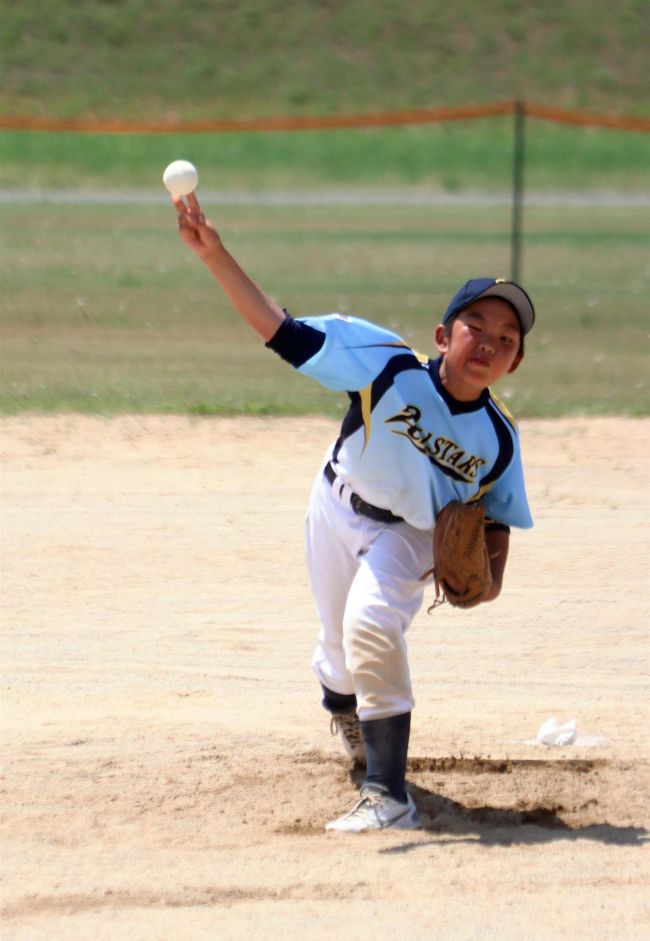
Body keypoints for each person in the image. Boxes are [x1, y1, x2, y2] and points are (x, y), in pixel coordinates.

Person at [172, 192, 535, 833]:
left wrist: (490, 581)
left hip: (413, 537)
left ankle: (388, 796)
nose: (491, 341)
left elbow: (499, 519)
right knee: (338, 655)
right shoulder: (387, 365)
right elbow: (280, 332)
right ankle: (346, 708)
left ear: (515, 360)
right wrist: (216, 256)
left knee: (371, 625)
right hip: (335, 504)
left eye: (508, 337)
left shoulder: (499, 440)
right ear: (443, 334)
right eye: (477, 324)